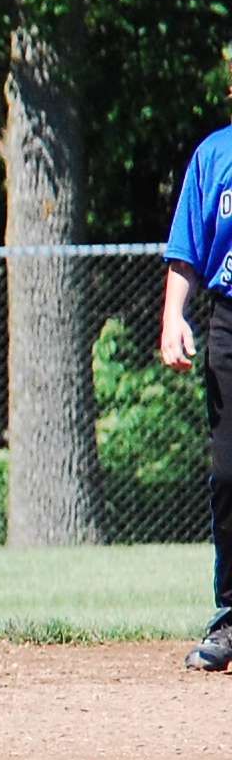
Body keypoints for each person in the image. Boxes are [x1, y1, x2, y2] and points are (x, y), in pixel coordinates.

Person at [160, 81, 232, 669]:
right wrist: (172, 316)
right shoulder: (214, 154)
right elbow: (187, 248)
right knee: (230, 474)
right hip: (229, 321)